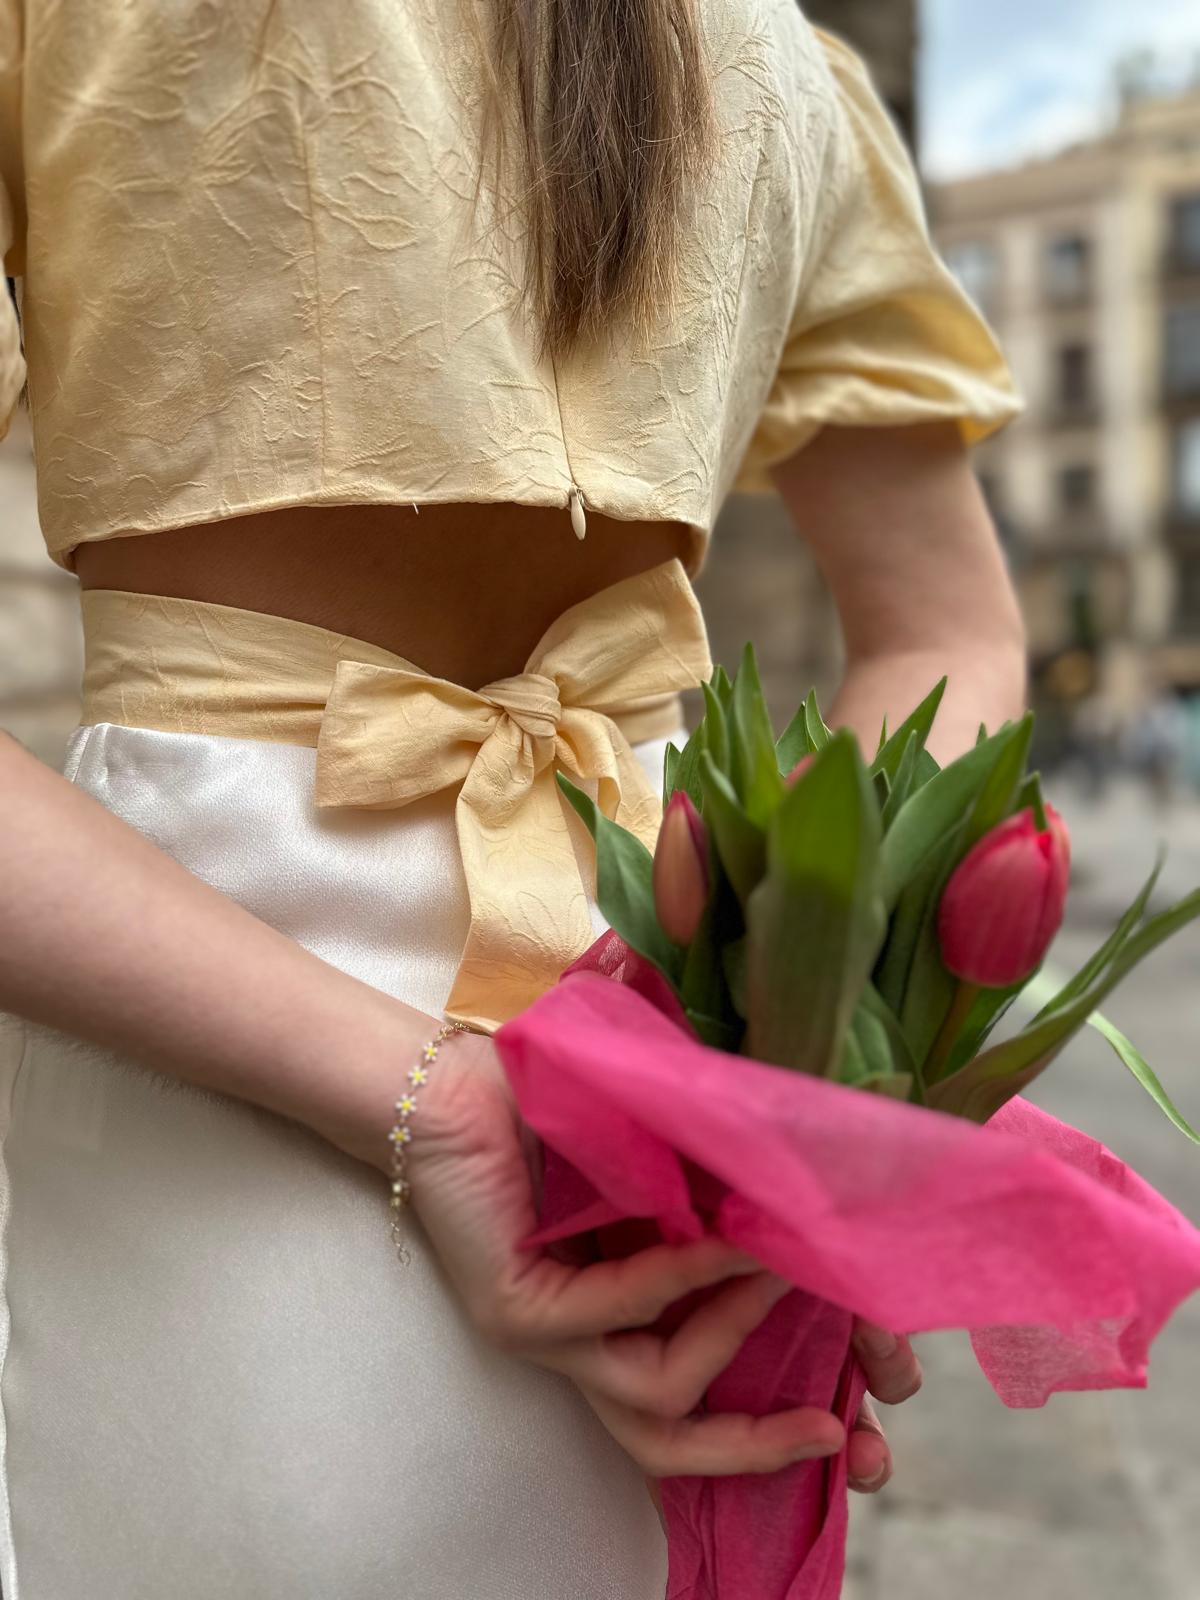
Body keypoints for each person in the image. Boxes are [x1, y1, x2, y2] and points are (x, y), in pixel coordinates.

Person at [0, 3, 1026, 1595]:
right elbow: (953, 631)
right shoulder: (773, 62)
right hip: (659, 1035)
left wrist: (454, 1098)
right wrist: (799, 1036)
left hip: (209, 984)